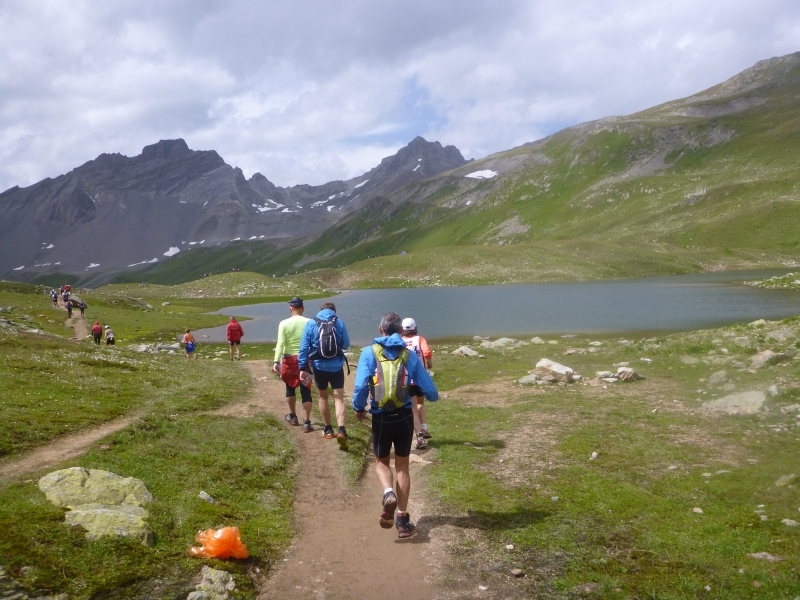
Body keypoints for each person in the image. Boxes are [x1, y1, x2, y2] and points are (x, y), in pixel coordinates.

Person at [353, 312, 438, 538]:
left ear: (381, 329)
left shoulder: (369, 352)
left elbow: (361, 387)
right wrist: (433, 396)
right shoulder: (408, 354)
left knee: (381, 461)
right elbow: (428, 387)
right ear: (400, 331)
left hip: (381, 417)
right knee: (402, 466)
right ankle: (402, 519)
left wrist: (358, 408)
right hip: (404, 416)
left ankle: (388, 492)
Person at [299, 301, 351, 449]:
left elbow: (304, 347)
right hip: (336, 367)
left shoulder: (311, 323)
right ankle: (341, 430)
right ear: (334, 311)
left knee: (323, 397)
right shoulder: (339, 322)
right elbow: (346, 344)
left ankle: (328, 429)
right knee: (338, 397)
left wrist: (302, 367)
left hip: (319, 367)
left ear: (320, 310)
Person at [273, 297, 313, 432]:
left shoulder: (284, 323)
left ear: (291, 308)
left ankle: (293, 416)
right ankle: (307, 422)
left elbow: (280, 343)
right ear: (303, 308)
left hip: (289, 360)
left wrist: (276, 361)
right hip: (306, 360)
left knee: (290, 388)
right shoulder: (310, 322)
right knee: (306, 390)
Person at [401, 318, 434, 449]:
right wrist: (429, 363)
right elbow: (427, 352)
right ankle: (424, 428)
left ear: (402, 329)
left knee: (413, 409)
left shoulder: (400, 341)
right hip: (420, 379)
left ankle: (420, 439)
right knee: (421, 403)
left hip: (406, 379)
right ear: (415, 328)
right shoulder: (420, 339)